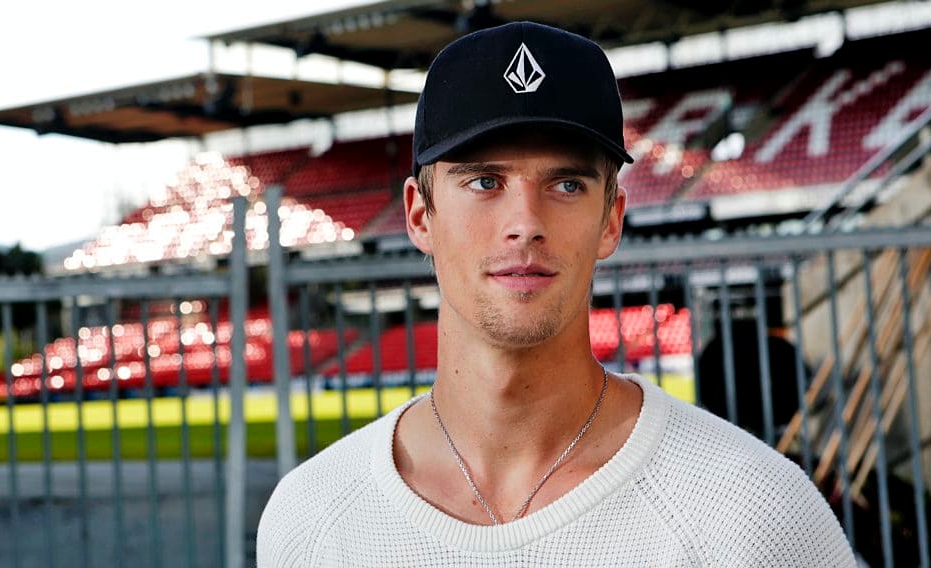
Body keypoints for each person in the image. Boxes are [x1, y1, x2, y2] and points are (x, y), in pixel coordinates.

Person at [257, 21, 856, 566]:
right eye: (484, 181)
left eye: (567, 184)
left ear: (611, 220)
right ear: (419, 215)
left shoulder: (755, 515)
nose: (525, 223)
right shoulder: (310, 519)